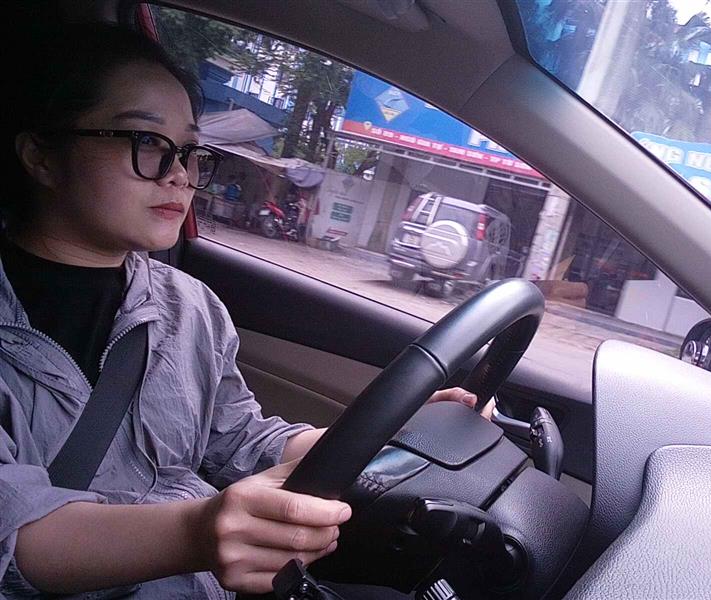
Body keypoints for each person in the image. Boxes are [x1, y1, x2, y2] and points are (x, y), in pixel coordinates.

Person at [0, 23, 487, 598]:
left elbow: (239, 441)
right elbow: (15, 538)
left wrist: (385, 430)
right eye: (147, 141)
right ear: (41, 156)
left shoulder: (190, 306)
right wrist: (195, 532)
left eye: (188, 151)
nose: (179, 173)